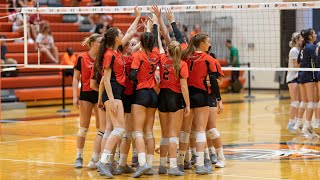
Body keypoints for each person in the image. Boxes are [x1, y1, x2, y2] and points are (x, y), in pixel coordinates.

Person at [95, 7, 141, 178]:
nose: (123, 36)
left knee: (119, 129)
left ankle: (105, 161)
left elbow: (129, 32)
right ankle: (103, 161)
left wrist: (137, 18)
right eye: (120, 34)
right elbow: (106, 79)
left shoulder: (117, 52)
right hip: (113, 90)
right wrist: (112, 100)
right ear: (115, 38)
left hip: (117, 91)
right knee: (119, 129)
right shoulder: (109, 54)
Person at [178, 33, 219, 175]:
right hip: (201, 96)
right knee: (201, 130)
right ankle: (200, 164)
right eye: (208, 42)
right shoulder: (208, 59)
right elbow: (213, 81)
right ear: (201, 44)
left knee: (185, 131)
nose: (209, 44)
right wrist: (218, 100)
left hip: (186, 96)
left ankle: (180, 162)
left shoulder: (185, 56)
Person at [128, 13, 160, 178]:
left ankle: (142, 164)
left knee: (137, 131)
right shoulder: (156, 55)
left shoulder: (138, 56)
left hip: (140, 94)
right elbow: (154, 40)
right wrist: (152, 26)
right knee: (149, 131)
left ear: (141, 42)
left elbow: (132, 75)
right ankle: (149, 163)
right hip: (153, 95)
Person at [73, 33, 103, 169]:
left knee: (101, 127)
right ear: (92, 43)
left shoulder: (103, 58)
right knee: (83, 127)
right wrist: (75, 96)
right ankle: (79, 156)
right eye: (99, 42)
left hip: (99, 94)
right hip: (85, 94)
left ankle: (98, 158)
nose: (102, 44)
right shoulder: (81, 58)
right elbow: (75, 78)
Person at [296, 28, 318, 138]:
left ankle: (299, 123)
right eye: (314, 33)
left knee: (304, 101)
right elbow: (317, 60)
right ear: (310, 37)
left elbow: (299, 61)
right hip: (309, 75)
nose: (316, 34)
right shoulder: (311, 46)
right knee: (311, 102)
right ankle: (307, 126)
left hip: (301, 75)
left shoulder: (303, 47)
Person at [286, 32, 303, 133]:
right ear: (296, 40)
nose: (302, 40)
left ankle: (297, 123)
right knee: (295, 102)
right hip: (293, 78)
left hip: (299, 77)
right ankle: (291, 123)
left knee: (300, 102)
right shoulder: (293, 51)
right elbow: (296, 66)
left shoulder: (299, 50)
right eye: (301, 38)